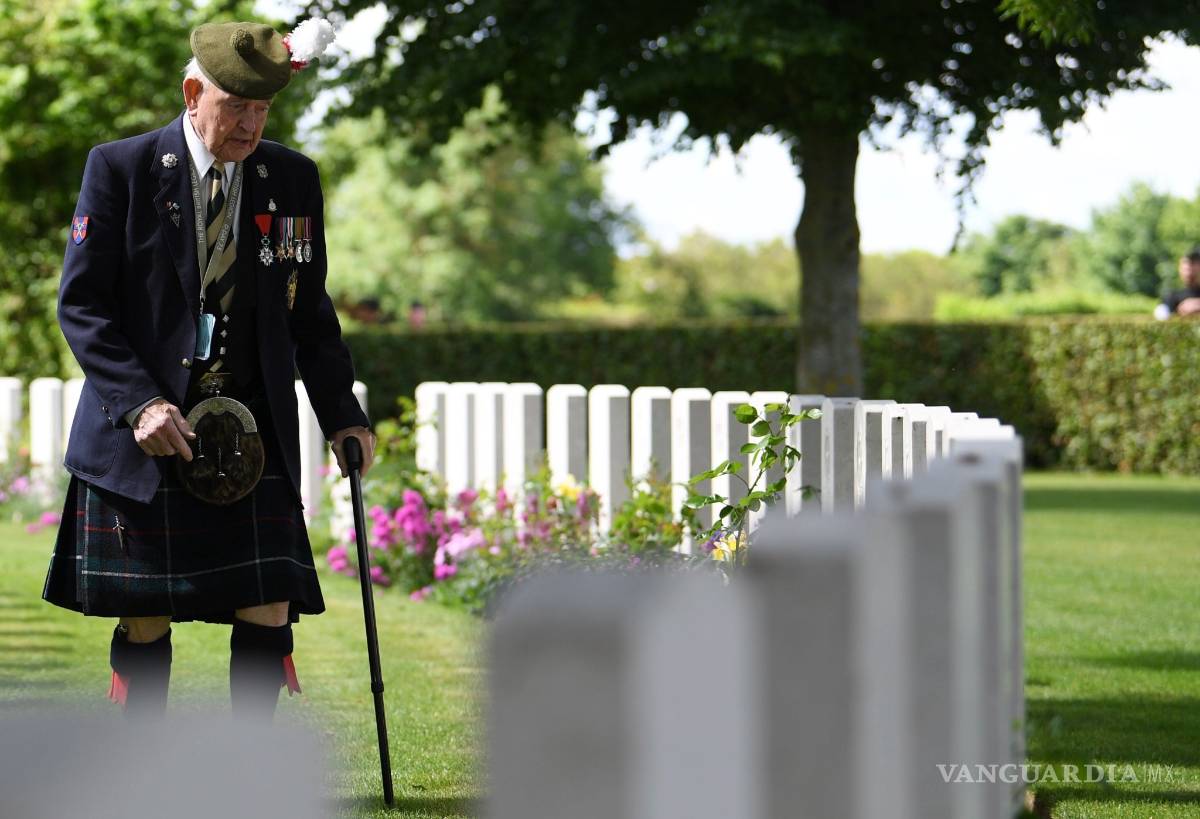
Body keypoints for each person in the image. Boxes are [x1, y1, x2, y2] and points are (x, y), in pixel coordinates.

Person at [42, 18, 376, 720]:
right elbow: (82, 307)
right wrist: (140, 403)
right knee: (145, 614)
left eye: (263, 109)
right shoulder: (122, 169)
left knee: (267, 604)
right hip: (147, 436)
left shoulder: (291, 179)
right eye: (237, 107)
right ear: (194, 92)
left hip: (251, 435)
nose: (251, 125)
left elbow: (308, 313)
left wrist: (342, 412)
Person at [1154, 248, 1200, 320]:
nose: (1189, 268)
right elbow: (1161, 316)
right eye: (1186, 264)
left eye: (1193, 264)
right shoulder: (1171, 296)